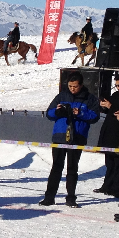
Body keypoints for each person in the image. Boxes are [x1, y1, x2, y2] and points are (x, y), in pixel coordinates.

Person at [39, 71, 100, 207]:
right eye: (70, 86)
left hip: (77, 136)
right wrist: (57, 111)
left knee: (72, 168)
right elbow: (49, 113)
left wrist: (81, 113)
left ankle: (71, 198)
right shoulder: (61, 95)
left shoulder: (89, 98)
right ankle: (49, 197)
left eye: (75, 86)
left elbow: (95, 116)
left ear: (81, 85)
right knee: (56, 167)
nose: (72, 89)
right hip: (60, 136)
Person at [94, 74, 119, 199]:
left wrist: (111, 107)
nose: (118, 88)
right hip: (109, 130)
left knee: (118, 163)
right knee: (109, 162)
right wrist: (104, 106)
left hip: (118, 132)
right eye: (116, 85)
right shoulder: (116, 95)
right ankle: (107, 185)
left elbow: (117, 111)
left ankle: (116, 188)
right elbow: (110, 111)